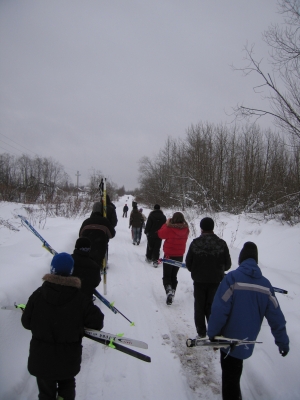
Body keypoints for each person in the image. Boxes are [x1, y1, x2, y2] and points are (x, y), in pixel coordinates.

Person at [207, 242, 289, 400]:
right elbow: (277, 317)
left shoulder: (232, 279)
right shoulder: (266, 286)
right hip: (248, 341)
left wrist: (213, 334)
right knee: (235, 371)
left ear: (241, 259)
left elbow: (219, 309)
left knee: (229, 377)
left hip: (228, 341)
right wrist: (283, 342)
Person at [21, 252, 104, 400]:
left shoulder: (38, 295)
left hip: (42, 360)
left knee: (46, 393)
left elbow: (26, 322)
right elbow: (97, 322)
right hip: (67, 360)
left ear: (52, 269)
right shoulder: (80, 299)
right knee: (67, 388)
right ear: (71, 271)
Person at [185, 217, 231, 338]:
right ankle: (213, 331)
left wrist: (196, 270)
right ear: (212, 227)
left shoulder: (195, 243)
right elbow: (228, 265)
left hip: (199, 280)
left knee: (199, 306)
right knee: (213, 306)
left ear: (201, 228)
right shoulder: (221, 244)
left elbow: (188, 263)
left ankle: (201, 332)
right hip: (216, 281)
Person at [157, 212, 189, 305]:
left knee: (167, 276)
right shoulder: (186, 229)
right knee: (174, 276)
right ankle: (173, 291)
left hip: (169, 255)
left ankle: (169, 291)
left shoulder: (169, 228)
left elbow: (160, 234)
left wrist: (166, 224)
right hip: (179, 255)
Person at [79, 202, 115, 268]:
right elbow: (112, 234)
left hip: (87, 251)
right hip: (100, 251)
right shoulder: (105, 222)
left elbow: (80, 235)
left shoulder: (86, 222)